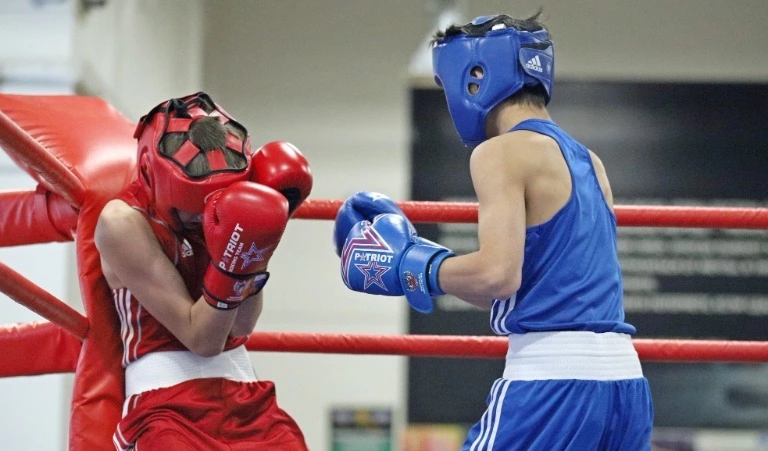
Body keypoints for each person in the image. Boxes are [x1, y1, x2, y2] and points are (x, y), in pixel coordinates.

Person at [333, 12, 653, 451]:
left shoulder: (499, 153)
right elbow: (518, 286)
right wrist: (419, 255)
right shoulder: (589, 161)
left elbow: (498, 275)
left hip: (552, 383)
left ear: (476, 76)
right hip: (624, 384)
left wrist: (409, 265)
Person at [95, 92, 312, 450]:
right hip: (165, 408)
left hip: (245, 397)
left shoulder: (230, 205)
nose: (200, 218)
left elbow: (242, 326)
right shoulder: (122, 223)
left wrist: (257, 244)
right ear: (152, 173)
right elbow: (203, 340)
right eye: (189, 208)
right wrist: (231, 263)